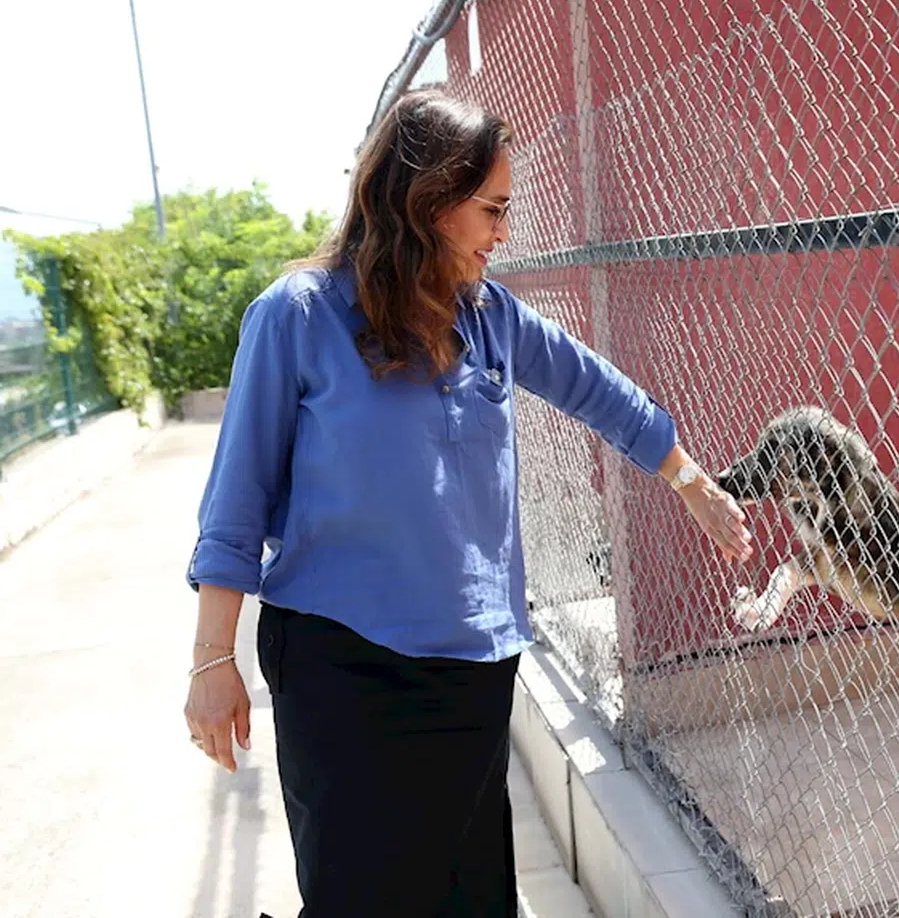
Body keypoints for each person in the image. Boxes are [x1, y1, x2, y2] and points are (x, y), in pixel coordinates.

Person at [181, 89, 754, 917]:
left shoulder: (490, 319)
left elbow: (598, 391)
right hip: (345, 672)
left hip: (475, 672)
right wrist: (211, 665)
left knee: (473, 899)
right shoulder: (296, 318)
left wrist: (691, 483)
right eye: (491, 210)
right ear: (428, 204)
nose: (503, 232)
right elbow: (233, 511)